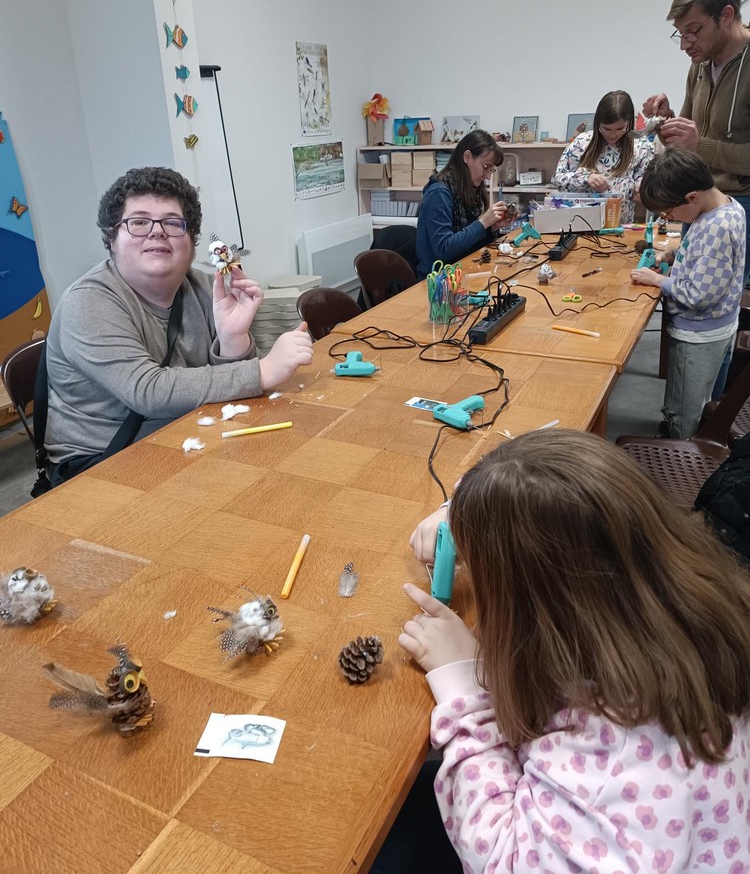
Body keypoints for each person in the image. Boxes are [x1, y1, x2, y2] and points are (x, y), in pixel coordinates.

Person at [393, 429, 750, 874]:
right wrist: (459, 512)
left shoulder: (613, 753)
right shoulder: (690, 617)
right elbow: (545, 482)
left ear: (538, 615)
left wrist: (463, 687)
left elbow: (504, 860)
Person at [44, 166, 313, 483]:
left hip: (188, 436)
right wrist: (263, 370)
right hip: (101, 462)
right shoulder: (87, 303)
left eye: (172, 223)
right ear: (112, 238)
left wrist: (233, 337)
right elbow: (148, 391)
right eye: (139, 222)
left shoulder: (204, 287)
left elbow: (233, 394)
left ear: (191, 240)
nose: (156, 232)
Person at [643, 0, 750, 284]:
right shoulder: (700, 66)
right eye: (680, 34)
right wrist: (666, 121)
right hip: (700, 201)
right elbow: (687, 144)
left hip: (740, 206)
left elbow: (698, 143)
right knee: (685, 284)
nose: (684, 45)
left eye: (692, 31)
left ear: (726, 16)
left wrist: (699, 144)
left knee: (712, 294)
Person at [630, 147, 745, 438]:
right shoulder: (724, 207)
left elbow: (699, 296)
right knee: (693, 394)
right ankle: (681, 429)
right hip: (715, 326)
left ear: (692, 197)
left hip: (698, 333)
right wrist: (671, 255)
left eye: (669, 212)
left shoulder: (717, 228)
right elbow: (699, 250)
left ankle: (681, 444)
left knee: (685, 404)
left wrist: (658, 281)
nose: (668, 216)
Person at [415, 130, 510, 280]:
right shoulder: (438, 193)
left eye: (491, 169)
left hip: (461, 272)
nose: (487, 175)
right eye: (485, 166)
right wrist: (483, 223)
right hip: (437, 282)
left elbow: (469, 243)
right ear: (467, 157)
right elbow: (444, 249)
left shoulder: (469, 189)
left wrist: (492, 227)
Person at [552, 89, 654, 223]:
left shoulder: (641, 145)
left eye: (620, 128)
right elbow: (558, 180)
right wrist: (586, 178)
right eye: (606, 129)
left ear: (629, 123)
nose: (613, 134)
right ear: (598, 123)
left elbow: (644, 179)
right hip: (582, 223)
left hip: (620, 225)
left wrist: (641, 188)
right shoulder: (582, 142)